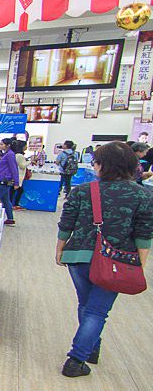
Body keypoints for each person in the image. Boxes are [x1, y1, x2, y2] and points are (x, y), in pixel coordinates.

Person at [56, 141, 153, 377]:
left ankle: (91, 348)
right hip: (116, 261)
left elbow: (66, 223)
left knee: (86, 305)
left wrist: (59, 249)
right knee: (97, 311)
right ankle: (76, 359)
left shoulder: (82, 191)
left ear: (101, 166)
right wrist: (141, 262)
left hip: (79, 257)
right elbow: (143, 232)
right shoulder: (142, 195)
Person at [0, 137, 19, 225]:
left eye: (2, 144)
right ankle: (10, 219)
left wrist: (16, 182)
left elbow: (14, 168)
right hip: (2, 180)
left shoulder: (10, 155)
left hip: (4, 181)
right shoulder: (5, 154)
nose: (0, 145)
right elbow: (0, 167)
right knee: (6, 200)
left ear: (8, 145)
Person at [12, 140, 29, 210]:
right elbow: (22, 165)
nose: (26, 147)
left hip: (16, 175)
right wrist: (30, 161)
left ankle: (14, 204)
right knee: (16, 191)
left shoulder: (16, 155)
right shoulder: (20, 155)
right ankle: (14, 205)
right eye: (25, 145)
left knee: (16, 191)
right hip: (18, 176)